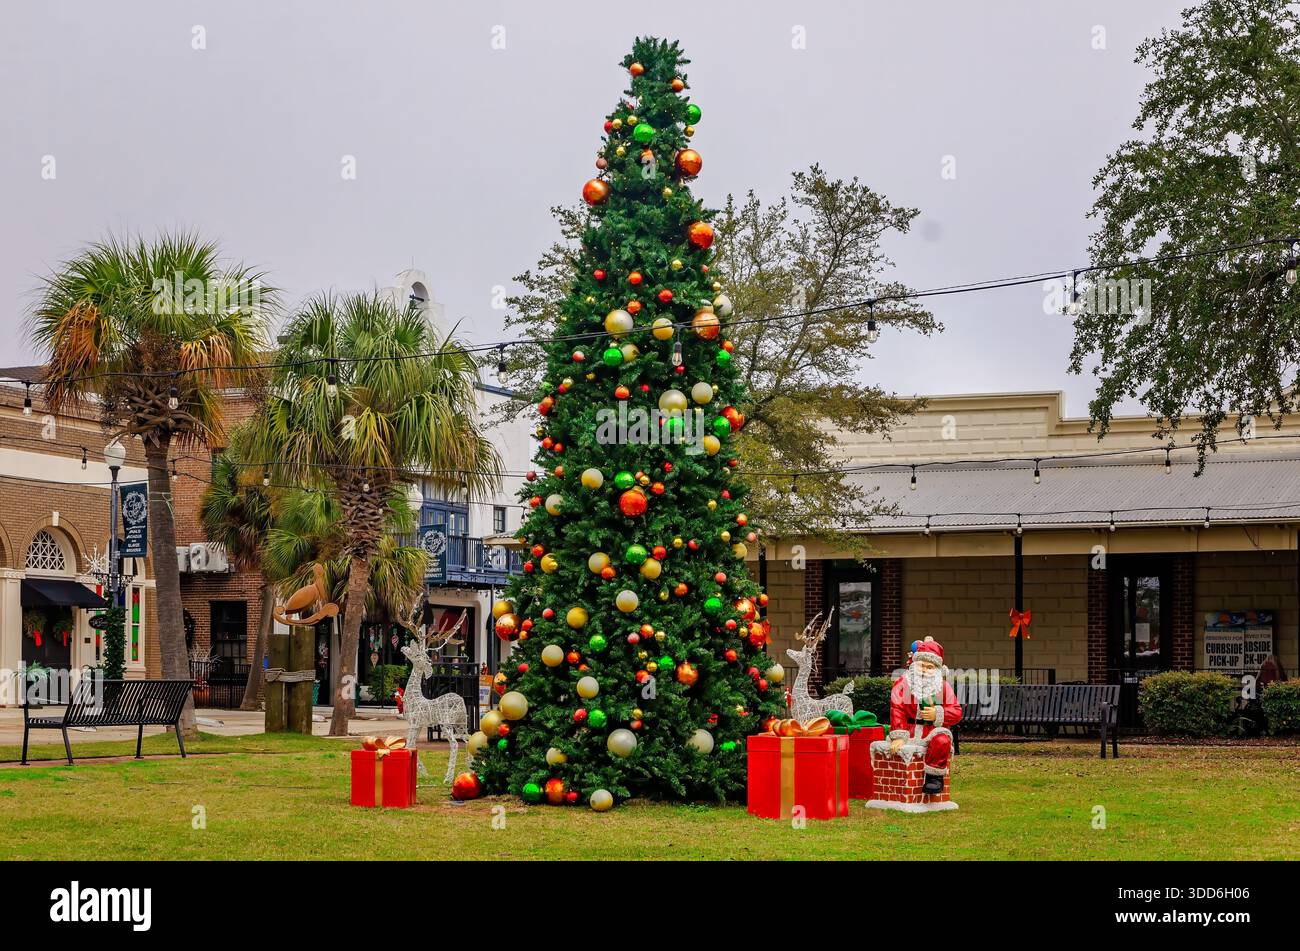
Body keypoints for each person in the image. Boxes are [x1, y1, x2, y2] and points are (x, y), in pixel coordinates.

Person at [888, 636, 962, 794]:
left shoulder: (944, 687)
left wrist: (938, 713)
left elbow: (956, 712)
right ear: (915, 664)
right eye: (922, 665)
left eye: (930, 667)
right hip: (909, 730)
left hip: (931, 731)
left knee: (942, 740)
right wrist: (899, 735)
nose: (925, 670)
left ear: (937, 670)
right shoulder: (903, 684)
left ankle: (934, 778)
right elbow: (897, 709)